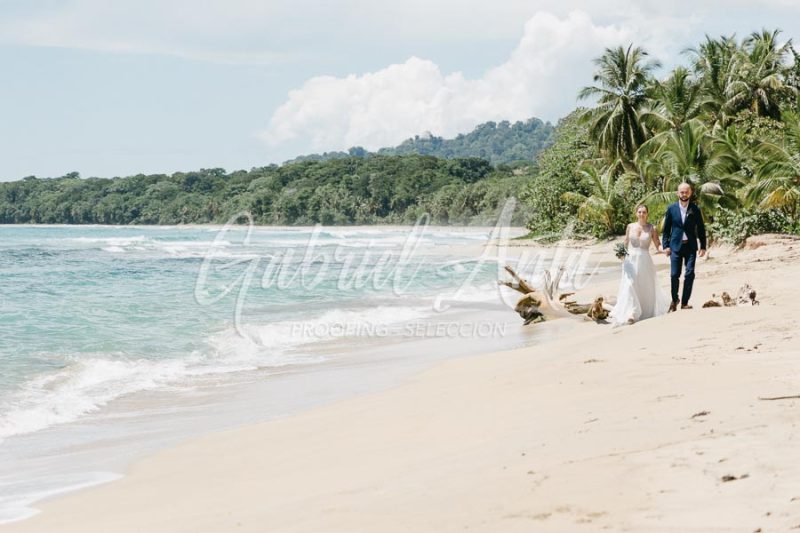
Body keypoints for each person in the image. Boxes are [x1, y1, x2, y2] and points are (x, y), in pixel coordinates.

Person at [610, 204, 670, 326]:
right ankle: (633, 312)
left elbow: (657, 244)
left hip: (644, 260)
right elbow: (626, 242)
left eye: (644, 212)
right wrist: (621, 253)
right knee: (630, 284)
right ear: (636, 213)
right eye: (639, 212)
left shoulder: (651, 228)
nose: (642, 214)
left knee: (643, 286)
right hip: (630, 260)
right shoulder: (630, 226)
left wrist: (664, 250)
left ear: (647, 214)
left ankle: (642, 309)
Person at [662, 182, 707, 312]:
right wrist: (665, 246)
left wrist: (703, 246)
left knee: (689, 273)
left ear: (690, 193)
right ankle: (675, 299)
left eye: (686, 192)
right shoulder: (671, 209)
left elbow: (701, 228)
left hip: (691, 247)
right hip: (675, 246)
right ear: (678, 193)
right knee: (674, 274)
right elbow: (666, 230)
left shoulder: (695, 209)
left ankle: (685, 302)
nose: (684, 194)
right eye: (682, 192)